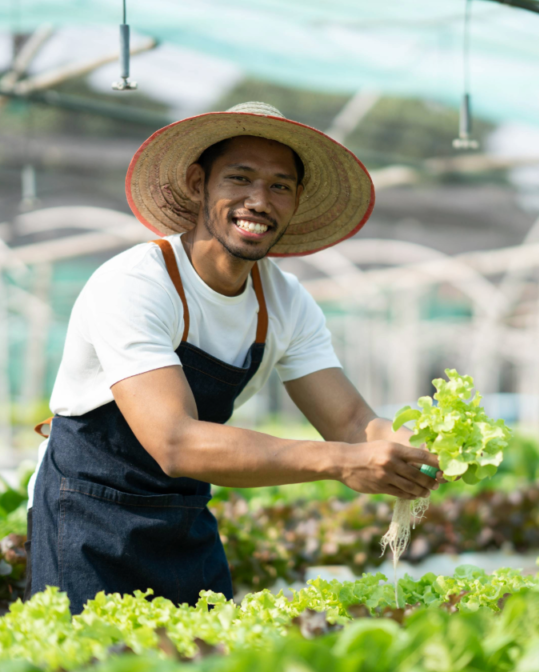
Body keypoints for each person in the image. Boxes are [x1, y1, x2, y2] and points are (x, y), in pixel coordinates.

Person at [26, 102, 441, 613]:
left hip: (184, 515)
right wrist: (343, 462)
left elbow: (353, 420)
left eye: (280, 186)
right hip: (90, 518)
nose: (259, 201)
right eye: (239, 179)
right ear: (199, 184)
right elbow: (175, 442)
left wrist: (409, 447)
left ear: (295, 201)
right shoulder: (136, 283)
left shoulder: (286, 302)